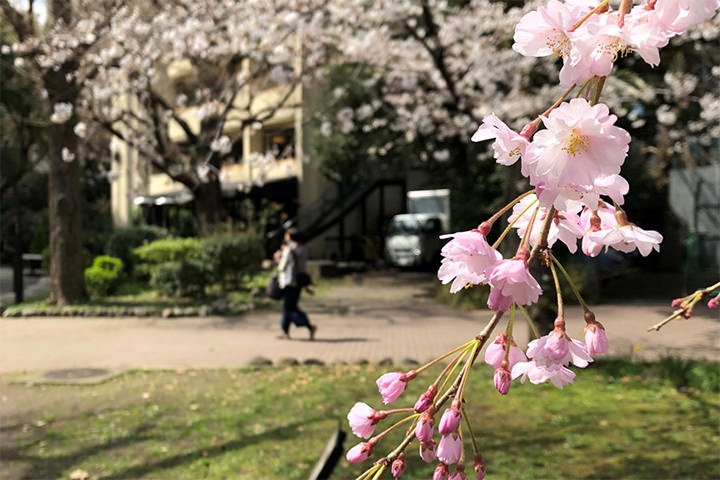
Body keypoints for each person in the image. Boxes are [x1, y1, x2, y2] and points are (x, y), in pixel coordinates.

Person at [275, 228, 317, 340]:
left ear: (289, 237)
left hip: (289, 281)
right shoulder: (303, 248)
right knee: (288, 307)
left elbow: (282, 266)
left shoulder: (289, 248)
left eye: (286, 235)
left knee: (290, 308)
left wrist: (278, 257)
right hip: (299, 280)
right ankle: (285, 332)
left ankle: (309, 326)